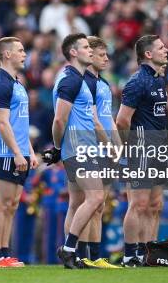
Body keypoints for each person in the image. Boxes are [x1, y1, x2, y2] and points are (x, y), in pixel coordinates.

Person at [48, 33, 106, 269]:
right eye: (84, 47)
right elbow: (59, 120)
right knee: (96, 197)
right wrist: (59, 148)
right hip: (78, 147)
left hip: (81, 146)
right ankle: (69, 249)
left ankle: (76, 255)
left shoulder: (76, 79)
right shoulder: (70, 80)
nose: (89, 50)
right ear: (73, 52)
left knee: (77, 202)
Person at [116, 35, 168, 267]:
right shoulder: (137, 82)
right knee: (138, 204)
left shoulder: (158, 80)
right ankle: (130, 255)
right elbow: (121, 121)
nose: (166, 49)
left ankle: (150, 253)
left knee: (156, 204)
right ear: (148, 54)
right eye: (160, 47)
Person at [0, 37, 39, 268]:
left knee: (12, 204)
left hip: (19, 152)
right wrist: (17, 153)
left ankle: (5, 254)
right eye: (20, 50)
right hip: (5, 153)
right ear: (7, 54)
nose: (24, 54)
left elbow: (19, 124)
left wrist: (30, 151)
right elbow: (2, 123)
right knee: (2, 204)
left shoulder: (16, 83)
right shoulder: (0, 84)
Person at [79, 36, 121, 269]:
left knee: (99, 205)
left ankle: (94, 256)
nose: (106, 59)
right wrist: (108, 146)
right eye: (102, 54)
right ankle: (85, 255)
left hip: (104, 147)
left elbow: (109, 119)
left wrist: (118, 145)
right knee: (89, 203)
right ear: (90, 56)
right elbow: (94, 121)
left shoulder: (103, 83)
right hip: (91, 147)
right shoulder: (86, 83)